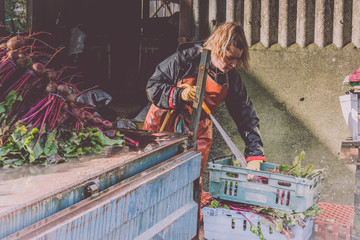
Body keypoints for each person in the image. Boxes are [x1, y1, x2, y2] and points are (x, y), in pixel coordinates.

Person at [143, 22, 265, 191]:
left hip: (199, 131)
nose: (234, 64)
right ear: (217, 47)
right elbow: (153, 87)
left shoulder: (231, 78)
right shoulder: (185, 58)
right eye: (230, 57)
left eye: (237, 59)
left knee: (191, 184)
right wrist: (180, 95)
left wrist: (254, 154)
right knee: (154, 178)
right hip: (163, 125)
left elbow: (246, 114)